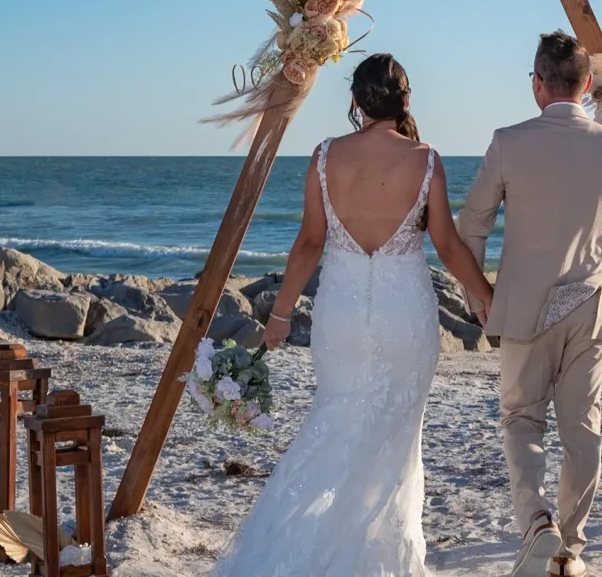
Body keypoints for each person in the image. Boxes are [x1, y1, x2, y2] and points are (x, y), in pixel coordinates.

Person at [210, 53, 494, 577]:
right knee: (395, 435)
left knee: (334, 417)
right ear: (406, 101)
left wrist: (280, 313)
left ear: (355, 102)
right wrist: (485, 298)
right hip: (405, 315)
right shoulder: (425, 160)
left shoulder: (324, 157)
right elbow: (448, 247)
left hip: (339, 315)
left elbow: (310, 242)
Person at [458, 30, 602, 577]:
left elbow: (471, 225)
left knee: (521, 419)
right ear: (587, 86)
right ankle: (571, 548)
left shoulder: (508, 142)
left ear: (538, 84)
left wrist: (480, 295)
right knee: (582, 426)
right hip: (591, 306)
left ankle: (536, 523)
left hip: (522, 306)